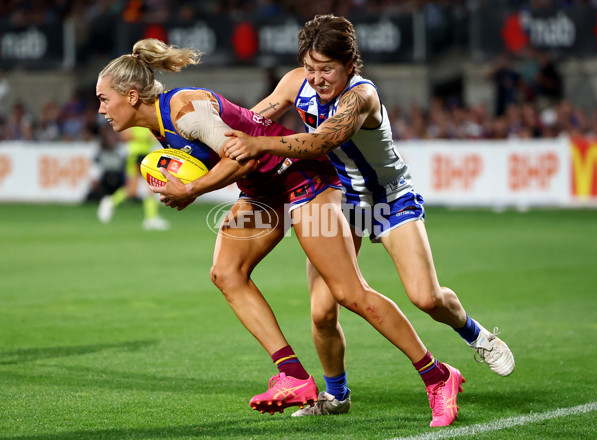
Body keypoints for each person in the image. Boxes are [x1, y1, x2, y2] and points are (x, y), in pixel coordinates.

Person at [96, 38, 465, 427]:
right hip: (262, 190)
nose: (101, 109)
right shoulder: (160, 123)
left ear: (132, 96)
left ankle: (438, 376)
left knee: (348, 292)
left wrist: (191, 189)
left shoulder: (184, 110)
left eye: (104, 99)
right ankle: (293, 375)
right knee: (226, 273)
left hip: (301, 178)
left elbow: (243, 154)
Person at [222, 14, 514, 417]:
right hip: (338, 200)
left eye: (326, 69)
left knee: (425, 297)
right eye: (310, 68)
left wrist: (260, 146)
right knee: (323, 311)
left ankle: (475, 335)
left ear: (350, 65)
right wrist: (204, 140)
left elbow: (321, 141)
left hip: (389, 199)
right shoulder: (295, 82)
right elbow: (250, 122)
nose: (316, 78)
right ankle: (336, 396)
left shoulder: (361, 98)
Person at [97, 125, 170, 230]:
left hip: (147, 155)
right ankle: (111, 202)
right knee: (133, 190)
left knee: (150, 187)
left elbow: (155, 137)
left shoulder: (147, 121)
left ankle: (151, 218)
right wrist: (144, 137)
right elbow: (125, 136)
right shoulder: (133, 120)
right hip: (135, 154)